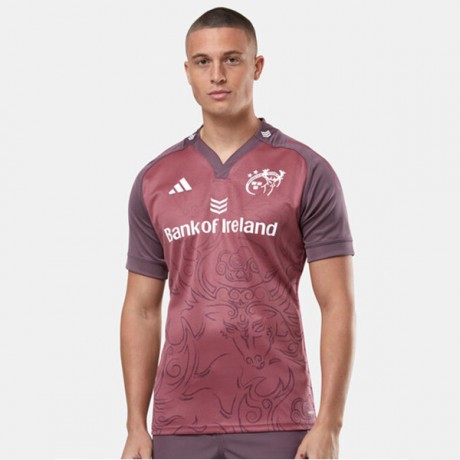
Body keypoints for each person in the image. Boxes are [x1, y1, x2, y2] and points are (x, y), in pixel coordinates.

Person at [120, 6, 355, 460]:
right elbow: (141, 309)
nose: (217, 75)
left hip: (279, 420)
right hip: (178, 423)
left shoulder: (306, 171)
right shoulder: (155, 180)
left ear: (257, 66)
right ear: (187, 72)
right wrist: (135, 425)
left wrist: (330, 423)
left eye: (232, 59)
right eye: (203, 62)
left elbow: (337, 303)